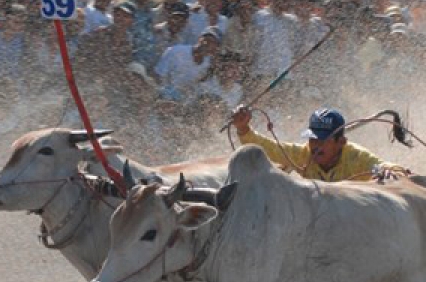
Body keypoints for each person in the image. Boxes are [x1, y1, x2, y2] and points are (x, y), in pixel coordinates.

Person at [231, 106, 408, 181]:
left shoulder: (356, 158)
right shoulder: (302, 155)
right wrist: (243, 128)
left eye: (324, 140)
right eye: (313, 139)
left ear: (342, 142)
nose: (316, 145)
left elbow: (379, 167)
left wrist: (391, 171)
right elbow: (268, 148)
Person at [154, 25, 221, 102]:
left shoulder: (209, 64)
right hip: (165, 97)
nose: (207, 44)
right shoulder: (176, 51)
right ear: (199, 39)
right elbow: (158, 75)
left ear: (216, 47)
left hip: (188, 102)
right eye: (206, 39)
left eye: (213, 42)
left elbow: (202, 87)